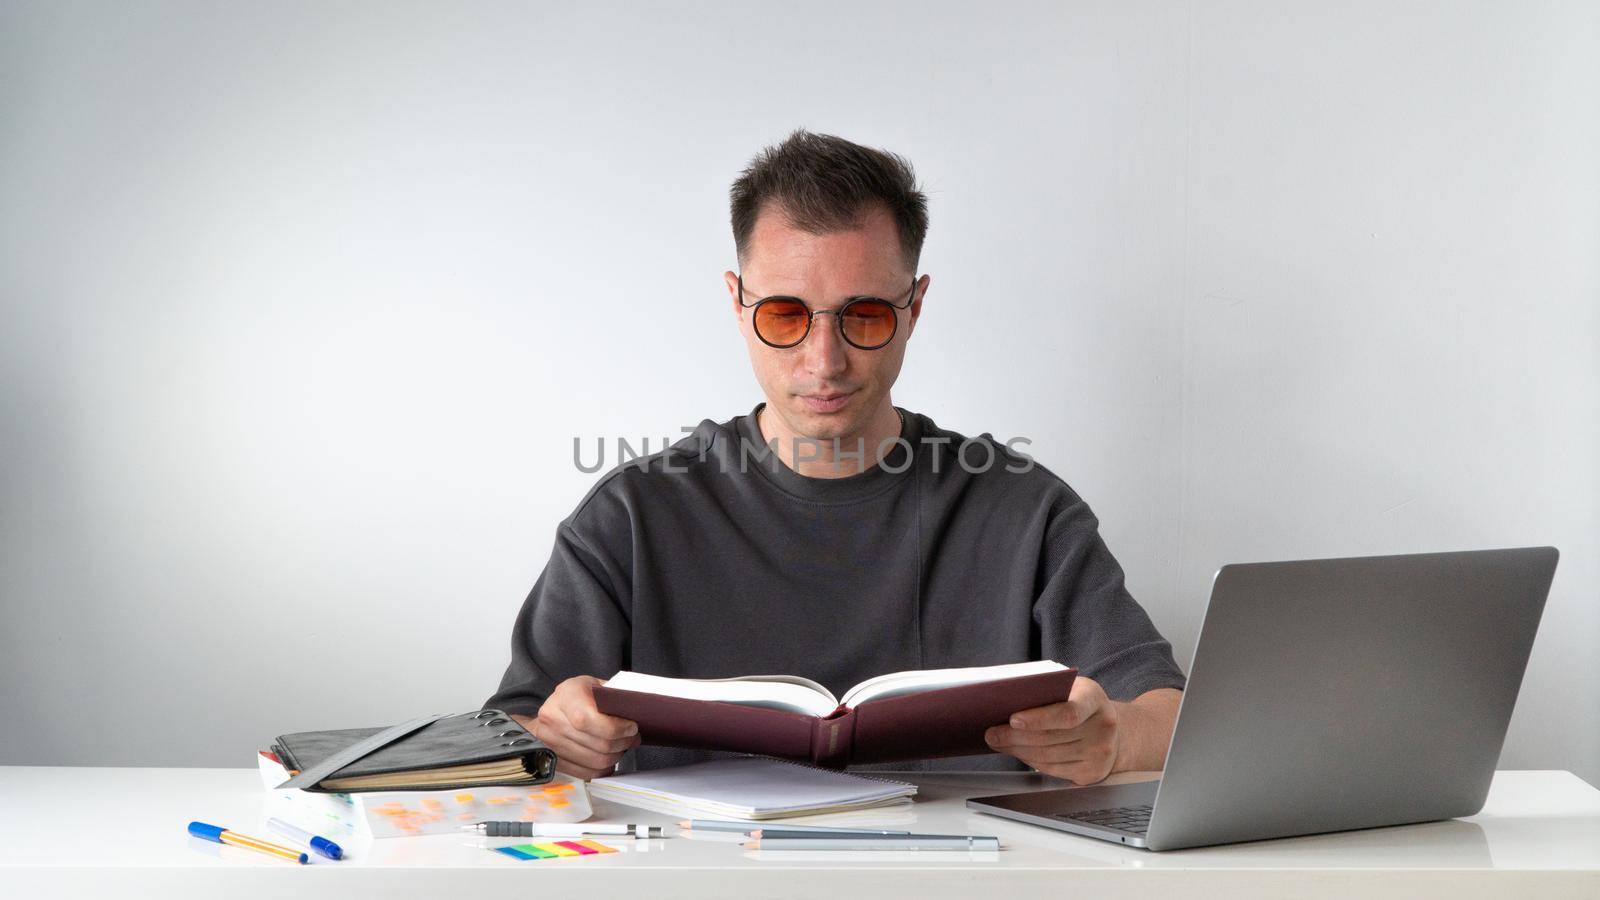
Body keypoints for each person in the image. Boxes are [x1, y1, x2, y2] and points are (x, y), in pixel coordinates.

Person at [487, 129, 1185, 784]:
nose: (825, 361)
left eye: (866, 316)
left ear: (913, 309)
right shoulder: (632, 515)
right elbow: (514, 730)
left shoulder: (1026, 511)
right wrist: (556, 737)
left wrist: (1116, 737)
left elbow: (1172, 713)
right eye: (786, 315)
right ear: (737, 304)